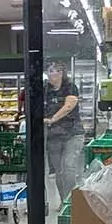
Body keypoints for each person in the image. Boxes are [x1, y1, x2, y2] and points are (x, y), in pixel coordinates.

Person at [43, 60, 83, 211]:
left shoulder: (70, 87)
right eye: (49, 70)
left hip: (73, 133)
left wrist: (52, 119)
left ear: (61, 73)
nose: (50, 73)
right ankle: (64, 200)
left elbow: (69, 106)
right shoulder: (44, 89)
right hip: (53, 136)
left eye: (53, 70)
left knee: (68, 167)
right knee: (59, 171)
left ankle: (71, 202)